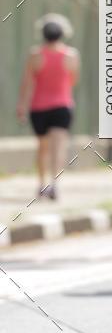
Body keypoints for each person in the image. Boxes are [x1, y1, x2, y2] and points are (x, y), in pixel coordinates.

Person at [16, 13, 79, 200]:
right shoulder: (71, 55)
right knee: (57, 147)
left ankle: (41, 184)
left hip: (38, 107)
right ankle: (55, 184)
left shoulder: (35, 55)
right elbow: (73, 80)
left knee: (43, 147)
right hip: (62, 106)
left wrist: (21, 106)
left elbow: (27, 83)